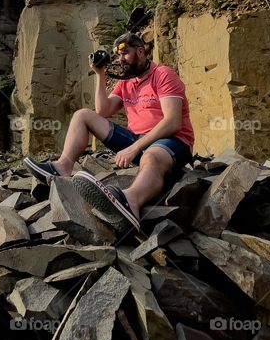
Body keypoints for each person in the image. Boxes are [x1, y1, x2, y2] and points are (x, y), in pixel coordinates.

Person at [23, 32, 194, 231]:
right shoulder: (126, 81)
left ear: (140, 51)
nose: (121, 59)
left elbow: (173, 122)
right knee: (82, 115)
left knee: (152, 156)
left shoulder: (163, 74)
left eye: (125, 53)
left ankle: (130, 201)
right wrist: (100, 73)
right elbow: (103, 111)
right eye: (118, 55)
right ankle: (62, 166)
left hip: (172, 141)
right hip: (137, 140)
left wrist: (133, 149)